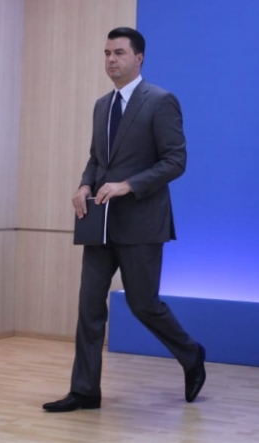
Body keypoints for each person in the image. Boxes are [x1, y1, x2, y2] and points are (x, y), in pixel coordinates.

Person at [42, 27, 206, 413]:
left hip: (142, 222)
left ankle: (191, 354)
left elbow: (175, 161)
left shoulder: (161, 101)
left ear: (139, 58)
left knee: (142, 304)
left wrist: (128, 185)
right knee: (89, 306)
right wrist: (84, 184)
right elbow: (96, 158)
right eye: (106, 53)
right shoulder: (102, 105)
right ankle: (85, 391)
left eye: (118, 52)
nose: (111, 59)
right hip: (98, 221)